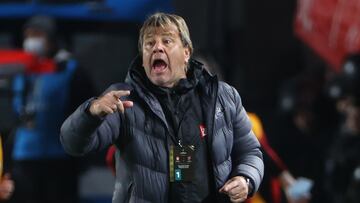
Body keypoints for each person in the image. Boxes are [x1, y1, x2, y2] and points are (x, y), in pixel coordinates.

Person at [60, 12, 264, 203]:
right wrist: (90, 113)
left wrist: (246, 179)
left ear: (186, 53)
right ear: (143, 56)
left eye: (167, 41)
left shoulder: (223, 96)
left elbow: (251, 152)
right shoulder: (122, 98)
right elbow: (73, 144)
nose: (157, 48)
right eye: (149, 43)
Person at [10, 15, 94, 203]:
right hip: (25, 156)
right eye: (28, 35)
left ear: (52, 38)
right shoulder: (21, 71)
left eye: (38, 35)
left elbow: (86, 111)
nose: (32, 41)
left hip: (60, 158)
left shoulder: (70, 70)